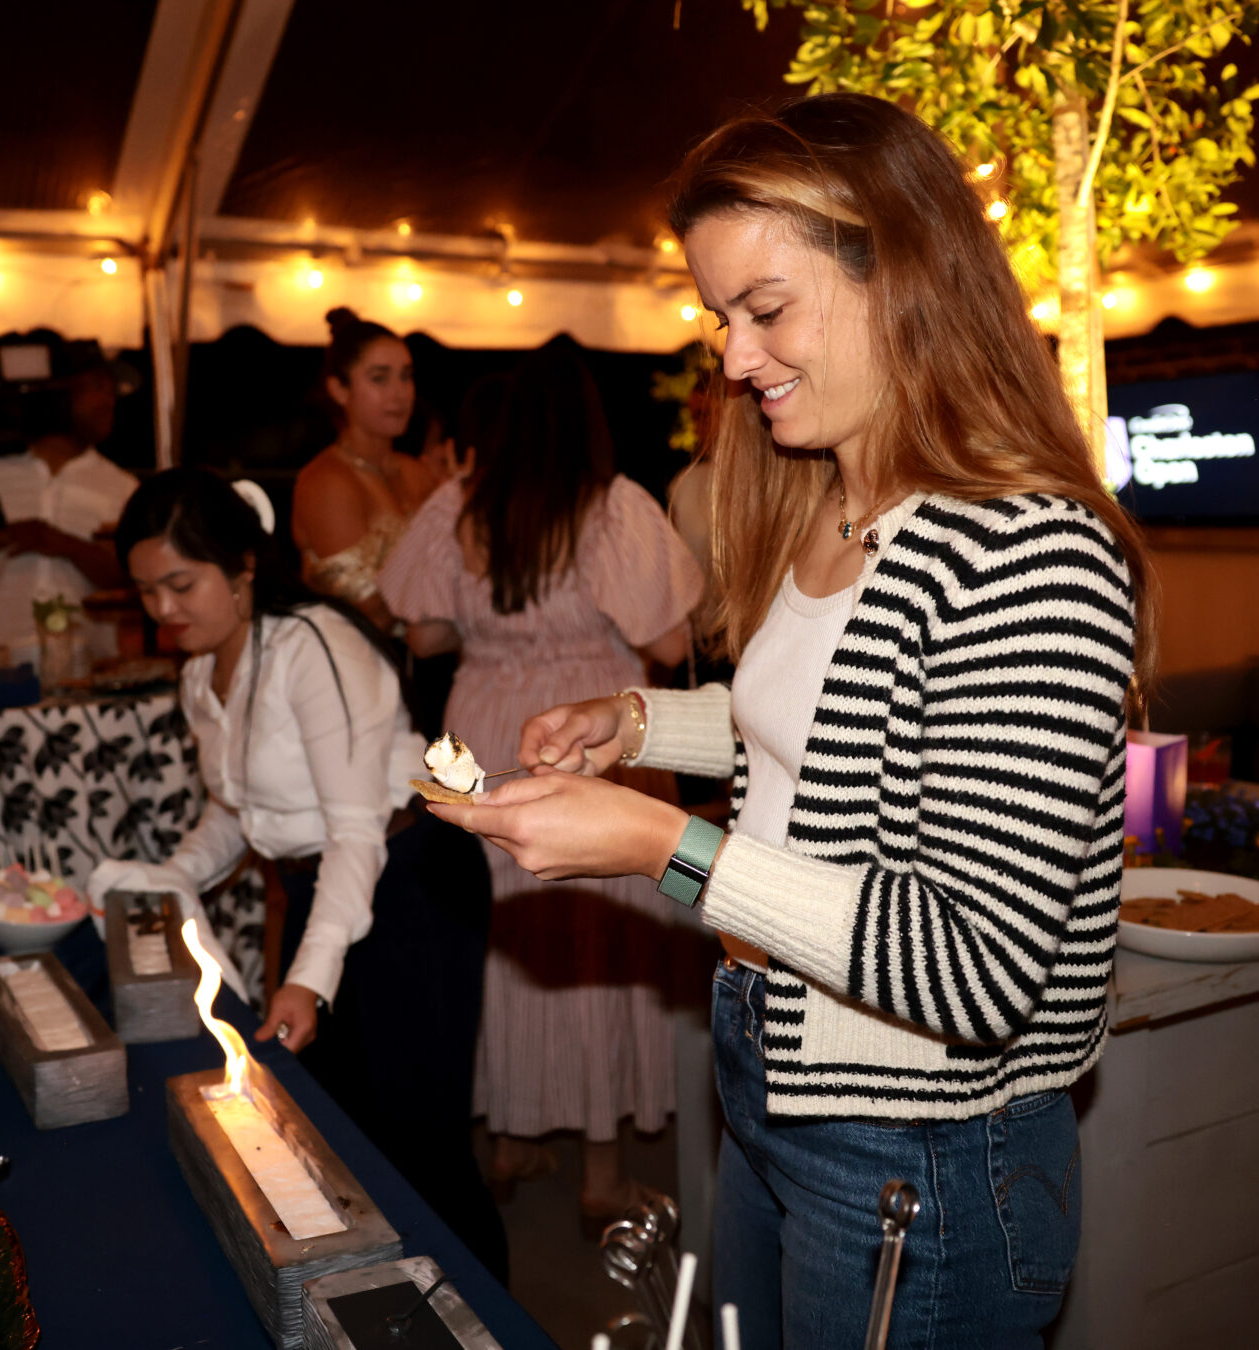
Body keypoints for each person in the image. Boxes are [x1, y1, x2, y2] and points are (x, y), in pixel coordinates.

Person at [428, 93, 1153, 1349]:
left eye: (767, 309)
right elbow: (837, 731)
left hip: (917, 1149)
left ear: (907, 273)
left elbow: (970, 967)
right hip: (770, 1075)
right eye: (721, 317)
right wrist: (641, 726)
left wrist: (664, 849)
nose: (733, 356)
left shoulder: (1028, 554)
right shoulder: (834, 502)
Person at [92, 467, 508, 1281]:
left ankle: (489, 1311)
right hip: (332, 889)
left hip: (410, 877)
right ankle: (373, 1301)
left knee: (419, 1140)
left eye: (181, 584)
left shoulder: (315, 644)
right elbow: (243, 812)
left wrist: (308, 982)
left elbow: (355, 831)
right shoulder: (201, 669)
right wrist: (169, 877)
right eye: (147, 593)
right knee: (334, 1132)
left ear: (243, 567)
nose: (164, 611)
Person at [380, 342, 703, 1233]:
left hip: (480, 731)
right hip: (586, 732)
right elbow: (673, 648)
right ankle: (602, 1172)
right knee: (597, 942)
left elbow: (426, 633)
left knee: (493, 940)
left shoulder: (460, 504)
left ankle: (508, 1143)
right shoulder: (612, 508)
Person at [0, 333, 137, 666]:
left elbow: (134, 576)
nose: (110, 399)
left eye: (110, 388)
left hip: (88, 670)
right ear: (52, 394)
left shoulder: (122, 485)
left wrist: (63, 544)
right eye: (95, 387)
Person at [291, 308, 436, 630]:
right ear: (339, 389)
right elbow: (366, 611)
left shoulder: (416, 472)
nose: (399, 393)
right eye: (379, 378)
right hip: (352, 661)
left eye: (406, 376)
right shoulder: (326, 482)